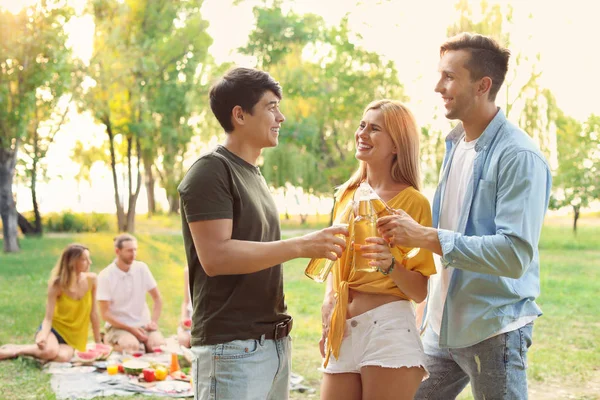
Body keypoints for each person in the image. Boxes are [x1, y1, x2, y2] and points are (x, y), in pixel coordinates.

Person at [376, 33, 552, 400]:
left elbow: (514, 254)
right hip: (441, 329)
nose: (438, 86)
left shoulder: (519, 156)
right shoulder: (455, 144)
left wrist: (424, 236)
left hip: (493, 331)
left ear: (483, 85)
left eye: (450, 77)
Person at [178, 67, 348, 400]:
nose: (281, 117)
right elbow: (215, 257)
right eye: (271, 107)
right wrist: (300, 245)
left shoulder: (253, 172)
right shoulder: (211, 171)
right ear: (239, 115)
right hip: (231, 350)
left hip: (272, 343)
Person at [319, 100, 436, 400]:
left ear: (397, 145)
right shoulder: (345, 196)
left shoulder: (414, 203)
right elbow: (335, 259)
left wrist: (390, 266)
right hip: (343, 327)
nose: (362, 133)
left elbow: (420, 291)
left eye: (374, 129)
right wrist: (329, 304)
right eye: (362, 126)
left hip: (388, 329)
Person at [0, 244, 101, 362]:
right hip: (54, 330)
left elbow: (93, 313)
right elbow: (48, 318)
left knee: (62, 357)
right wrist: (43, 335)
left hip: (72, 338)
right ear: (72, 262)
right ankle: (15, 351)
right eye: (84, 259)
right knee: (50, 352)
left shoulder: (92, 280)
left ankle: (24, 349)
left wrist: (98, 342)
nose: (90, 262)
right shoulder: (57, 285)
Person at [97, 234, 166, 353]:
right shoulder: (105, 275)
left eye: (135, 249)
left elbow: (157, 298)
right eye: (129, 250)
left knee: (158, 347)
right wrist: (132, 329)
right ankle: (108, 340)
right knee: (133, 348)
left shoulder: (142, 268)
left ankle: (142, 344)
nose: (133, 254)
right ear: (117, 251)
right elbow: (105, 314)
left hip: (144, 325)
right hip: (118, 327)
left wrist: (153, 322)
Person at [177, 267, 192, 348]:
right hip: (190, 322)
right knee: (184, 340)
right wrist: (184, 317)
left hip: (204, 322)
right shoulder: (187, 271)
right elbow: (186, 301)